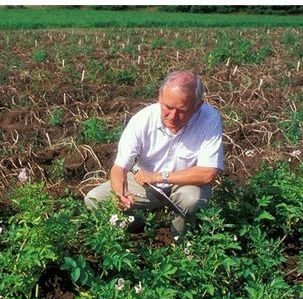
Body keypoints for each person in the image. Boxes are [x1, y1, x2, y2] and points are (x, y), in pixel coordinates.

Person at [84, 70, 224, 239]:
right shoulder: (142, 120)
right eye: (168, 107)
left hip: (185, 183)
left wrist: (159, 177)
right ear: (160, 96)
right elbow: (119, 168)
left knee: (191, 199)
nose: (172, 116)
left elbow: (208, 174)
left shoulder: (209, 119)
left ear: (197, 106)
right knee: (94, 199)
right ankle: (137, 225)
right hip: (145, 185)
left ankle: (181, 244)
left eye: (182, 110)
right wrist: (121, 194)